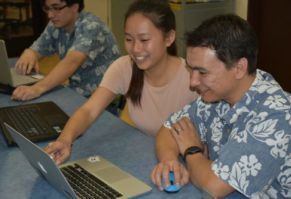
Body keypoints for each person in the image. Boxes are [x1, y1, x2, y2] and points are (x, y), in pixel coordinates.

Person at [151, 14, 291, 198]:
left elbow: (215, 186)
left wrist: (192, 151)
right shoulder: (217, 95)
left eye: (202, 72)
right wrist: (169, 161)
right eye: (191, 69)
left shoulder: (277, 114)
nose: (193, 82)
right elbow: (168, 129)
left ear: (239, 68)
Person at [45, 0, 197, 165]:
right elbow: (89, 110)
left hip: (185, 162)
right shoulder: (124, 67)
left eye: (144, 40)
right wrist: (65, 140)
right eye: (129, 39)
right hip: (149, 157)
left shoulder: (193, 78)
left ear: (169, 38)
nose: (135, 49)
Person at [11, 0, 120, 100]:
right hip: (77, 92)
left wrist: (37, 89)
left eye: (57, 8)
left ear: (74, 6)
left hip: (103, 100)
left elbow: (72, 61)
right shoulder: (56, 24)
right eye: (47, 9)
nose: (50, 15)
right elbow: (37, 49)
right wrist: (30, 52)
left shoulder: (92, 26)